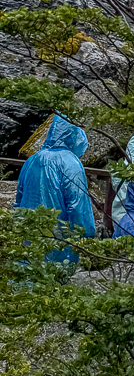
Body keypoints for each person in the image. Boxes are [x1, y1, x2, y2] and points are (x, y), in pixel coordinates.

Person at [14, 113, 96, 264]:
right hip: (59, 240)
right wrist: (86, 236)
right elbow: (78, 208)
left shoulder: (32, 160)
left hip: (29, 235)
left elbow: (19, 201)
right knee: (56, 279)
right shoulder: (71, 164)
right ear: (73, 136)